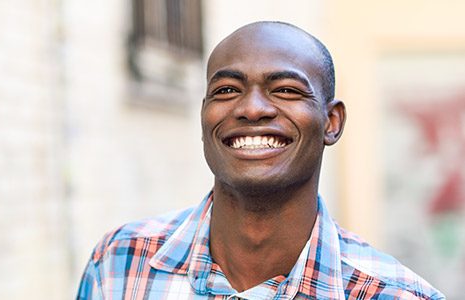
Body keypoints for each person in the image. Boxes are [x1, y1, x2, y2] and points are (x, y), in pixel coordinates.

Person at [77, 21, 445, 299]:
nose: (251, 108)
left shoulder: (396, 294)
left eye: (285, 89)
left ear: (331, 123)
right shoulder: (119, 263)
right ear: (204, 117)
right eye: (226, 90)